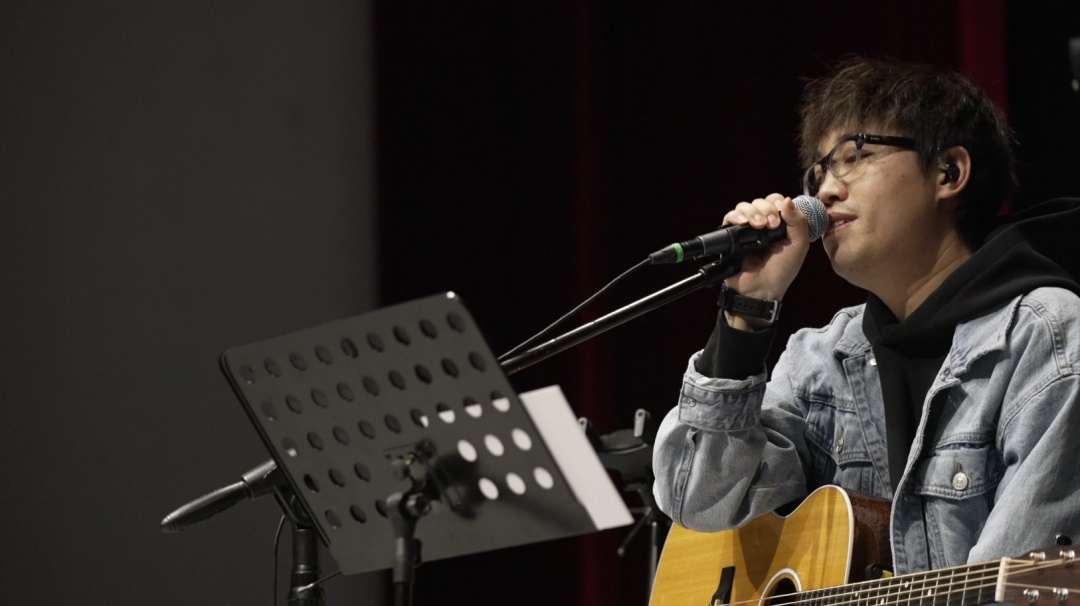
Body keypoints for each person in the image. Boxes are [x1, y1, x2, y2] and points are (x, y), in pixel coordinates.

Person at [651, 56, 1080, 576]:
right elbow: (699, 504)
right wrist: (746, 311)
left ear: (948, 172)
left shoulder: (1049, 339)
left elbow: (1016, 584)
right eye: (818, 172)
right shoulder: (822, 359)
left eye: (854, 156)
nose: (825, 191)